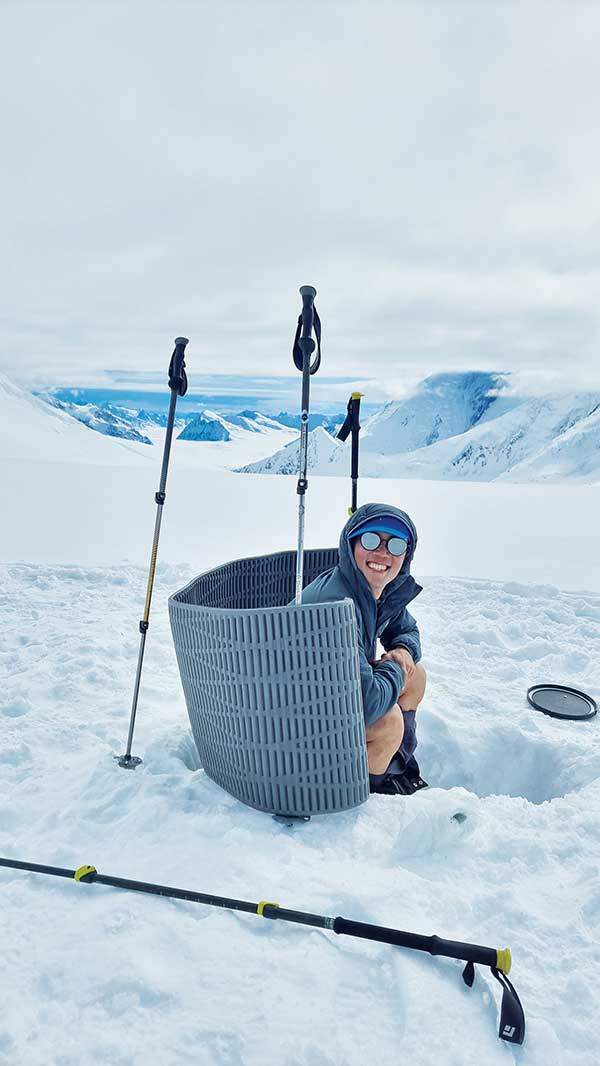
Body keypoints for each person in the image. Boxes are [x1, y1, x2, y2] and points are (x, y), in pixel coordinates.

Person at [302, 502, 426, 795]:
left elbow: (407, 630)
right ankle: (371, 788)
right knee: (387, 722)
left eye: (395, 545)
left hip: (328, 694)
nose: (383, 553)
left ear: (405, 554)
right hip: (298, 717)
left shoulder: (374, 589)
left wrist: (404, 652)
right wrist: (394, 666)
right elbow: (368, 703)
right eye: (371, 540)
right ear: (351, 545)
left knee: (416, 674)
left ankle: (395, 766)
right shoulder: (335, 606)